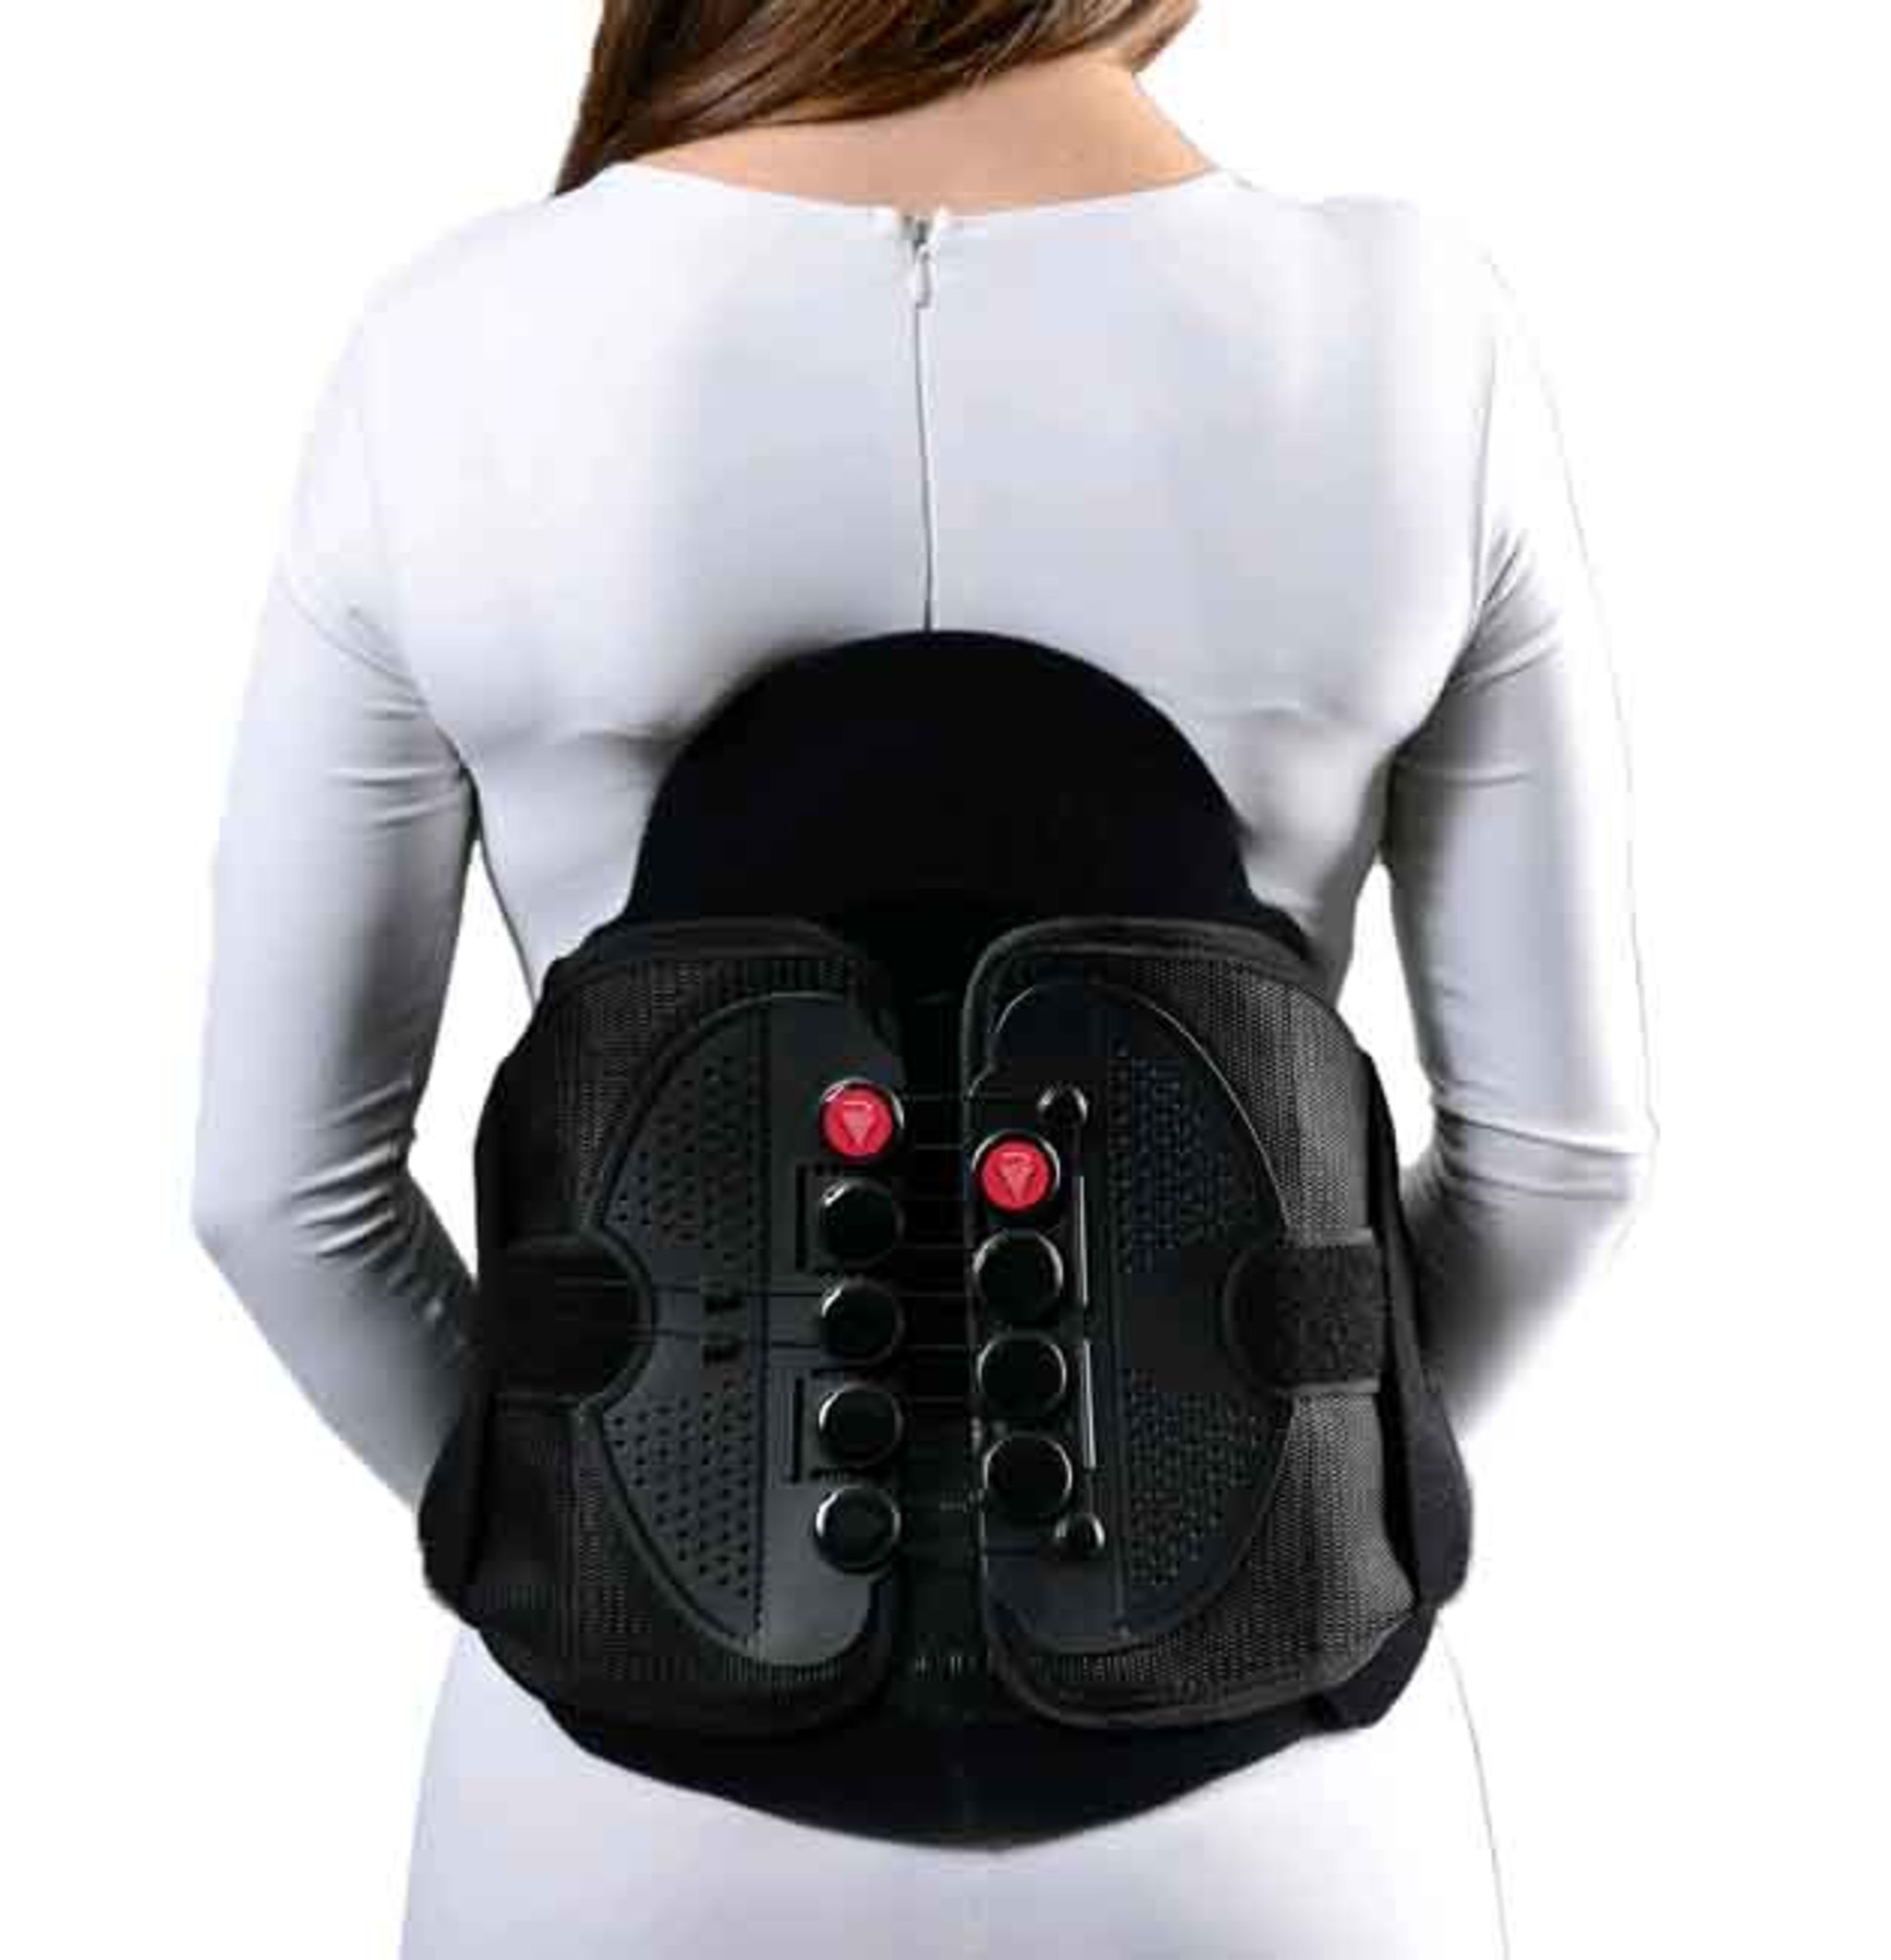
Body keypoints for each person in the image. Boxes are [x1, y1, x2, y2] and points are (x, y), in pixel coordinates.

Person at [189, 5, 1657, 1953]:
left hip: (612, 1824)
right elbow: (1565, 1165)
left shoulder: (453, 351)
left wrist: (613, 1508)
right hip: (1278, 1819)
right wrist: (1264, 1471)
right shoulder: (1405, 336)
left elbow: (279, 1197)